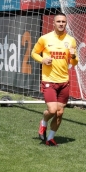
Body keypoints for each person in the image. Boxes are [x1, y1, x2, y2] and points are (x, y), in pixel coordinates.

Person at [31, 13, 78, 147]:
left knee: (60, 112)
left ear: (66, 23)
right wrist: (43, 59)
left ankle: (50, 138)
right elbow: (33, 53)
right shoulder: (45, 39)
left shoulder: (71, 40)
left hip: (64, 81)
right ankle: (43, 123)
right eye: (58, 21)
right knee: (52, 110)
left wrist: (73, 56)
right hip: (49, 80)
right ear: (54, 23)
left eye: (63, 21)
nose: (61, 24)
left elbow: (74, 63)